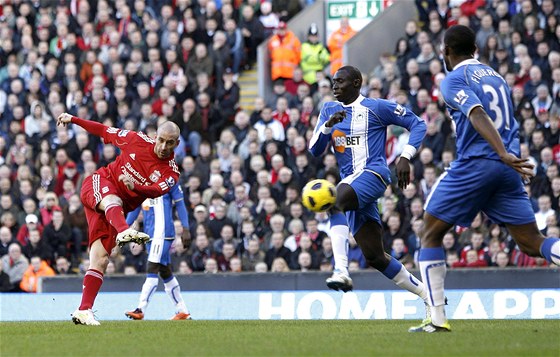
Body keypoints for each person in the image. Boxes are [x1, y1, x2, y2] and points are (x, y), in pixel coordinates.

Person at [410, 25, 560, 333]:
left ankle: (437, 318)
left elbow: (477, 112)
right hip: (508, 169)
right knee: (533, 243)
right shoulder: (496, 76)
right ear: (476, 49)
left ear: (447, 52)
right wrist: (507, 155)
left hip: (480, 162)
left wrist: (501, 151)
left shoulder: (453, 78)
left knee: (429, 232)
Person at [308, 65, 428, 308]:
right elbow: (314, 150)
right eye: (333, 82)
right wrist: (328, 126)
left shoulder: (376, 107)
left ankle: (341, 270)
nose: (334, 86)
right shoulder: (329, 109)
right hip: (351, 185)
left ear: (356, 83)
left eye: (340, 82)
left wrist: (405, 156)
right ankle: (429, 296)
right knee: (375, 256)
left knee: (333, 202)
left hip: (374, 174)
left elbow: (418, 124)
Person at [56, 112, 181, 326]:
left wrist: (135, 186)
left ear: (176, 144)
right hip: (99, 183)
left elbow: (153, 190)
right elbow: (103, 130)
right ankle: (124, 231)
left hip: (113, 212)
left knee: (101, 260)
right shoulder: (136, 139)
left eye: (169, 143)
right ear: (155, 136)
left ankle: (84, 310)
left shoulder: (171, 173)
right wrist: (75, 120)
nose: (163, 146)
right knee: (113, 198)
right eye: (160, 140)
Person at [124, 183, 192, 320]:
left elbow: (180, 204)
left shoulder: (169, 180)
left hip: (163, 234)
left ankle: (140, 308)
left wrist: (186, 228)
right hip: (150, 234)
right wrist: (123, 229)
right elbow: (135, 208)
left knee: (152, 268)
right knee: (165, 271)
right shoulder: (141, 182)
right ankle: (182, 310)